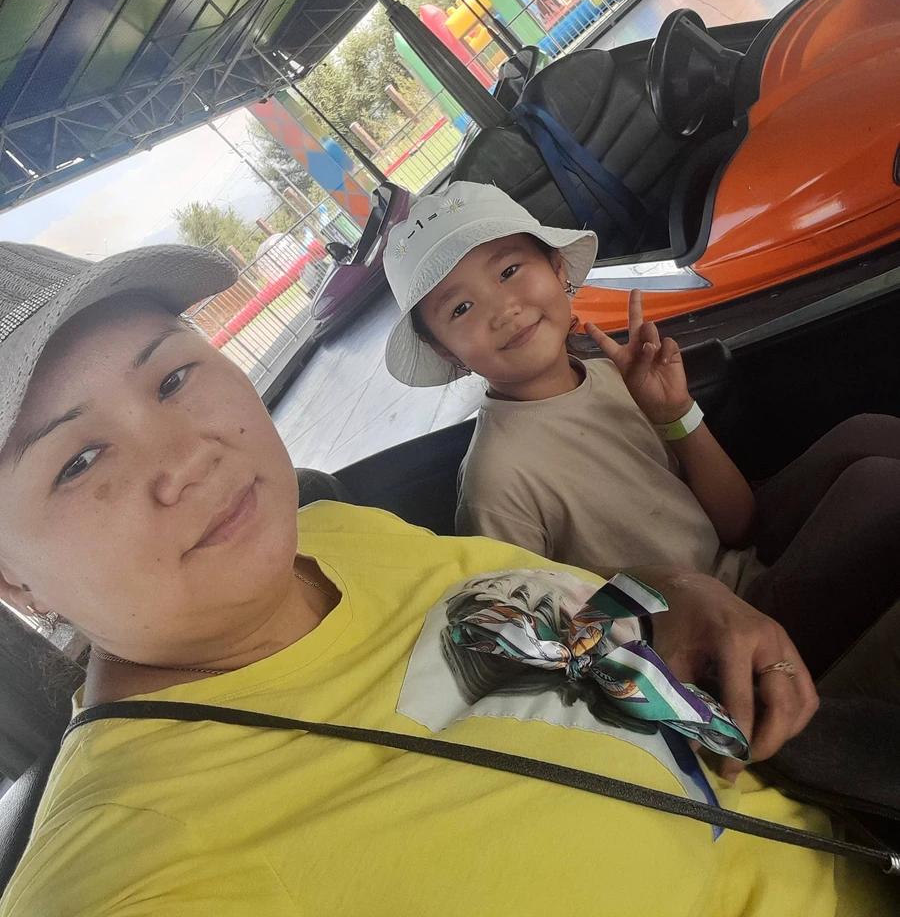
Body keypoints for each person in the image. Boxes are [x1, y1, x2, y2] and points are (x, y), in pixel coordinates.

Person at [0, 239, 891, 914]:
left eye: (171, 378)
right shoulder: (134, 874)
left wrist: (671, 593)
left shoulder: (335, 531)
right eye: (77, 461)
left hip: (833, 792)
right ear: (13, 578)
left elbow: (556, 612)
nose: (187, 458)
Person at [383, 181, 900, 685]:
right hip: (705, 651)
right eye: (461, 309)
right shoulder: (497, 482)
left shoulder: (611, 376)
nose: (503, 310)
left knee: (868, 433)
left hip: (736, 568)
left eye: (509, 271)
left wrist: (676, 413)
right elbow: (542, 648)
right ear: (446, 352)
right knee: (877, 489)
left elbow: (738, 525)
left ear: (557, 268)